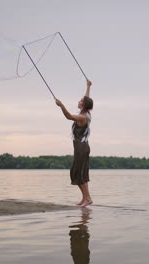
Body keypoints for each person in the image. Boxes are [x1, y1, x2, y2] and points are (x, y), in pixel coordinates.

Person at [55, 79, 93, 207]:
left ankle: (87, 198)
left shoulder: (82, 117)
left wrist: (61, 105)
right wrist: (88, 86)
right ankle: (85, 198)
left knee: (77, 172)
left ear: (84, 105)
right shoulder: (86, 112)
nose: (79, 101)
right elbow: (87, 98)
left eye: (81, 101)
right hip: (81, 147)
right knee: (79, 172)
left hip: (81, 148)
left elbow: (69, 116)